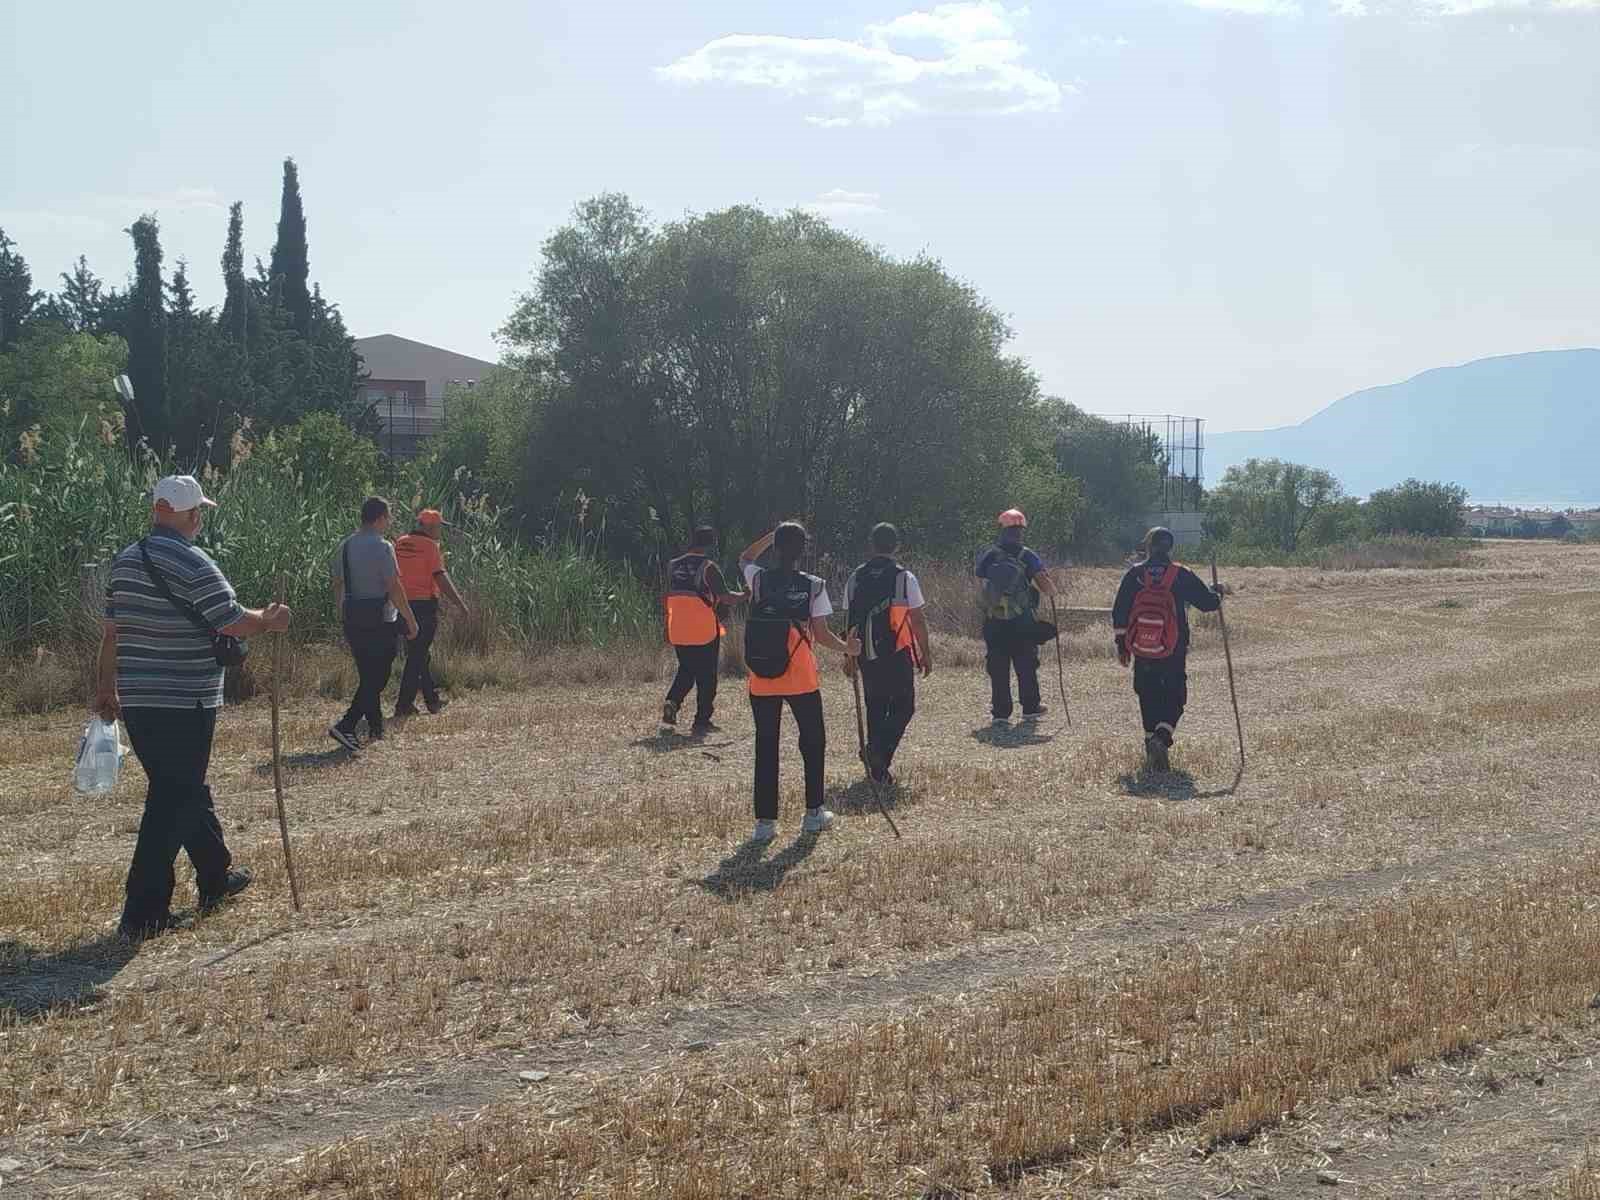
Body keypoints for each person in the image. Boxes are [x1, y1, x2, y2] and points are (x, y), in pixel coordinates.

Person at [96, 474, 292, 940]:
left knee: (181, 787)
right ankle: (143, 914)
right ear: (184, 514)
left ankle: (215, 876)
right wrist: (269, 619)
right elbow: (231, 620)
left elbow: (111, 634)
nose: (199, 519)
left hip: (138, 701)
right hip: (186, 698)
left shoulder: (124, 562)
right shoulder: (192, 561)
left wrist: (106, 688)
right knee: (171, 797)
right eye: (196, 511)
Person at [737, 522, 860, 842]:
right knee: (813, 743)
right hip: (801, 676)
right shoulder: (814, 586)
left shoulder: (758, 578)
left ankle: (765, 824)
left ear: (776, 548)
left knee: (766, 746)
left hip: (762, 677)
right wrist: (849, 648)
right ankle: (813, 813)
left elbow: (745, 557)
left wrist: (771, 534)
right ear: (803, 550)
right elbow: (822, 635)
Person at [1111, 526, 1226, 770]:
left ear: (1149, 546)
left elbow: (1120, 610)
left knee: (1147, 692)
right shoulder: (1180, 573)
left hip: (1142, 646)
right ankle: (1161, 738)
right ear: (1170, 547)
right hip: (1174, 646)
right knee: (1175, 695)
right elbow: (1207, 604)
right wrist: (1218, 594)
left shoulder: (1135, 574)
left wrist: (1122, 645)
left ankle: (1150, 744)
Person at [844, 522, 933, 785]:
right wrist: (925, 652)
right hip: (897, 652)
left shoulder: (855, 577)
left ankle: (878, 769)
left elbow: (849, 620)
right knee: (904, 707)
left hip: (865, 653)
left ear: (871, 545)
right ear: (896, 547)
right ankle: (877, 755)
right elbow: (917, 618)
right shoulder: (904, 577)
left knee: (876, 708)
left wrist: (849, 657)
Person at [328, 497, 418, 751]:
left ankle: (376, 727)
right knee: (378, 677)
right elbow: (393, 587)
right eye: (388, 517)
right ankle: (347, 725)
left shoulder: (344, 546)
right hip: (380, 619)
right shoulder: (383, 546)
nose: (389, 522)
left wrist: (341, 613)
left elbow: (337, 584)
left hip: (352, 617)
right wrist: (410, 618)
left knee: (368, 675)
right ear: (379, 518)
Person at [974, 508, 1057, 726]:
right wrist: (1050, 589)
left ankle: (1000, 712)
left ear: (1001, 529)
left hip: (994, 621)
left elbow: (980, 586)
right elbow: (1046, 587)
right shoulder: (1028, 555)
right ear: (1022, 531)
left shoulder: (988, 555)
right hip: (1022, 621)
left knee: (998, 666)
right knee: (1026, 664)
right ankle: (1030, 708)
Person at [661, 525, 743, 735]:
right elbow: (725, 597)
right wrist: (745, 595)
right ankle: (702, 720)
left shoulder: (672, 565)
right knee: (707, 674)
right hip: (703, 628)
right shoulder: (708, 567)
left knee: (687, 668)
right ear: (710, 544)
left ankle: (672, 701)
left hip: (677, 626)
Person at [393, 508, 468, 718]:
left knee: (419, 653)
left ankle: (432, 699)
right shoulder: (430, 546)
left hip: (401, 605)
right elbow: (440, 578)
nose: (440, 532)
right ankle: (403, 705)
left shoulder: (399, 542)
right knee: (417, 656)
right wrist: (460, 604)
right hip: (423, 607)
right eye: (438, 527)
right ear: (429, 527)